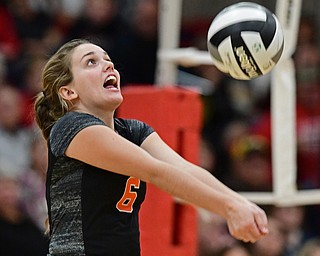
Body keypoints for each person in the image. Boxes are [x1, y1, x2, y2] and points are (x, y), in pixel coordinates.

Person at [34, 38, 269, 255]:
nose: (108, 66)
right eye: (91, 62)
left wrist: (240, 202)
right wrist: (228, 208)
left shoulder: (133, 131)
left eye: (108, 60)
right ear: (68, 91)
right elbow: (155, 171)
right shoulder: (70, 127)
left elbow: (184, 169)